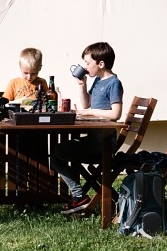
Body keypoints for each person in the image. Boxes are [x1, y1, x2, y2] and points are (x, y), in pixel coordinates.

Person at [49, 41, 124, 215]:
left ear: (101, 64)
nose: (85, 67)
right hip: (94, 139)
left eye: (88, 63)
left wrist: (89, 113)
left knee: (59, 152)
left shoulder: (114, 83)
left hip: (103, 144)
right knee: (59, 152)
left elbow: (115, 114)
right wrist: (81, 86)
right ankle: (79, 197)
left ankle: (79, 196)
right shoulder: (98, 81)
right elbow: (87, 103)